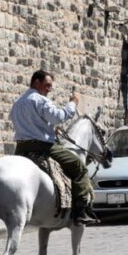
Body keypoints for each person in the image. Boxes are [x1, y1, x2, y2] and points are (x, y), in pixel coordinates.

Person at [11, 69, 98, 225]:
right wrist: (73, 103)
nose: (49, 89)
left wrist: (49, 128)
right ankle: (80, 212)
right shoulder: (40, 100)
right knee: (78, 167)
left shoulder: (18, 103)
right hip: (43, 147)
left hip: (21, 149)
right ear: (36, 82)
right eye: (47, 85)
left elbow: (30, 124)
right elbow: (59, 117)